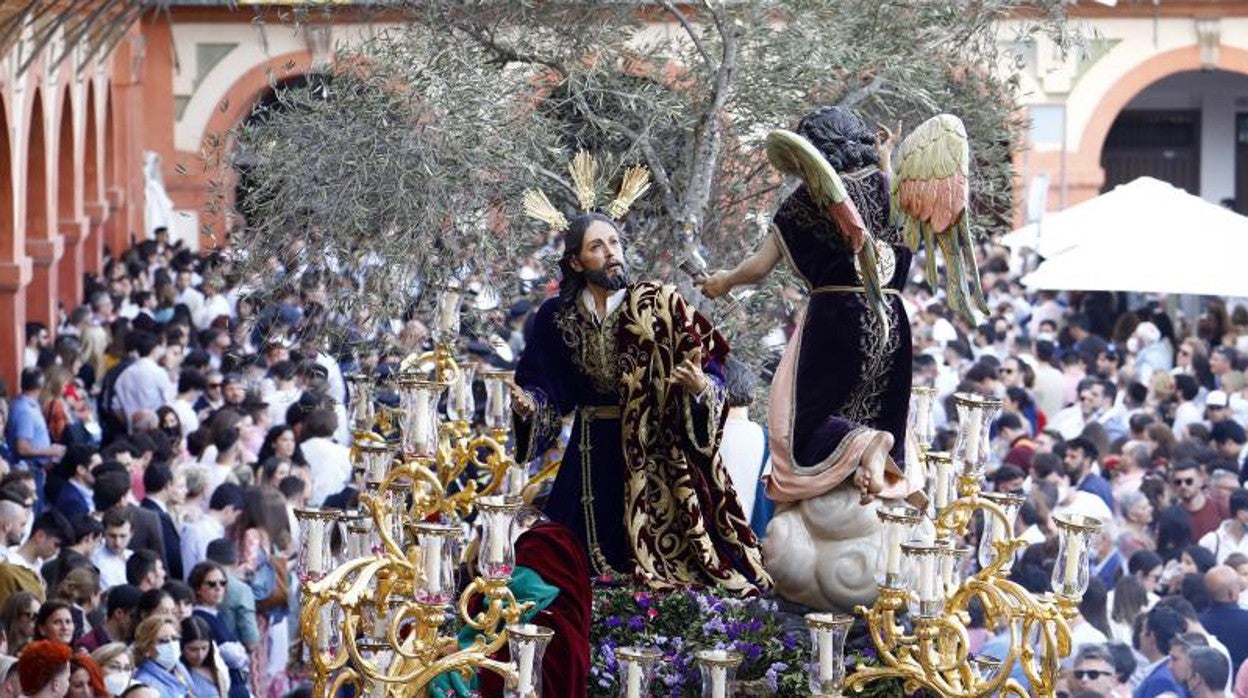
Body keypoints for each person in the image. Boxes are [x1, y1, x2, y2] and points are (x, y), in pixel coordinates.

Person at [512, 209, 767, 591]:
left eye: (614, 243)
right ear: (576, 261)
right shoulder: (557, 315)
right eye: (597, 246)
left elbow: (712, 364)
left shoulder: (660, 304)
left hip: (652, 452)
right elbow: (545, 384)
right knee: (564, 561)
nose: (612, 253)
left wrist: (700, 387)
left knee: (662, 563)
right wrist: (530, 405)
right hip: (588, 449)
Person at [700, 106, 915, 507]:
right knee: (878, 405)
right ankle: (873, 466)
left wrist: (723, 280)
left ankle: (865, 444)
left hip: (837, 319)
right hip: (895, 323)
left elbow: (759, 267)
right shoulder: (894, 188)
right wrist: (888, 163)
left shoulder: (809, 199)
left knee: (801, 423)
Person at [129, 616, 192, 698]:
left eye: (175, 638)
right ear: (146, 648)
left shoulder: (178, 668)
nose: (171, 645)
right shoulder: (145, 683)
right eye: (163, 641)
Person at [179, 615, 226, 698]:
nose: (200, 655)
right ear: (181, 647)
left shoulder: (215, 672)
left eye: (204, 648)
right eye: (193, 649)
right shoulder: (177, 672)